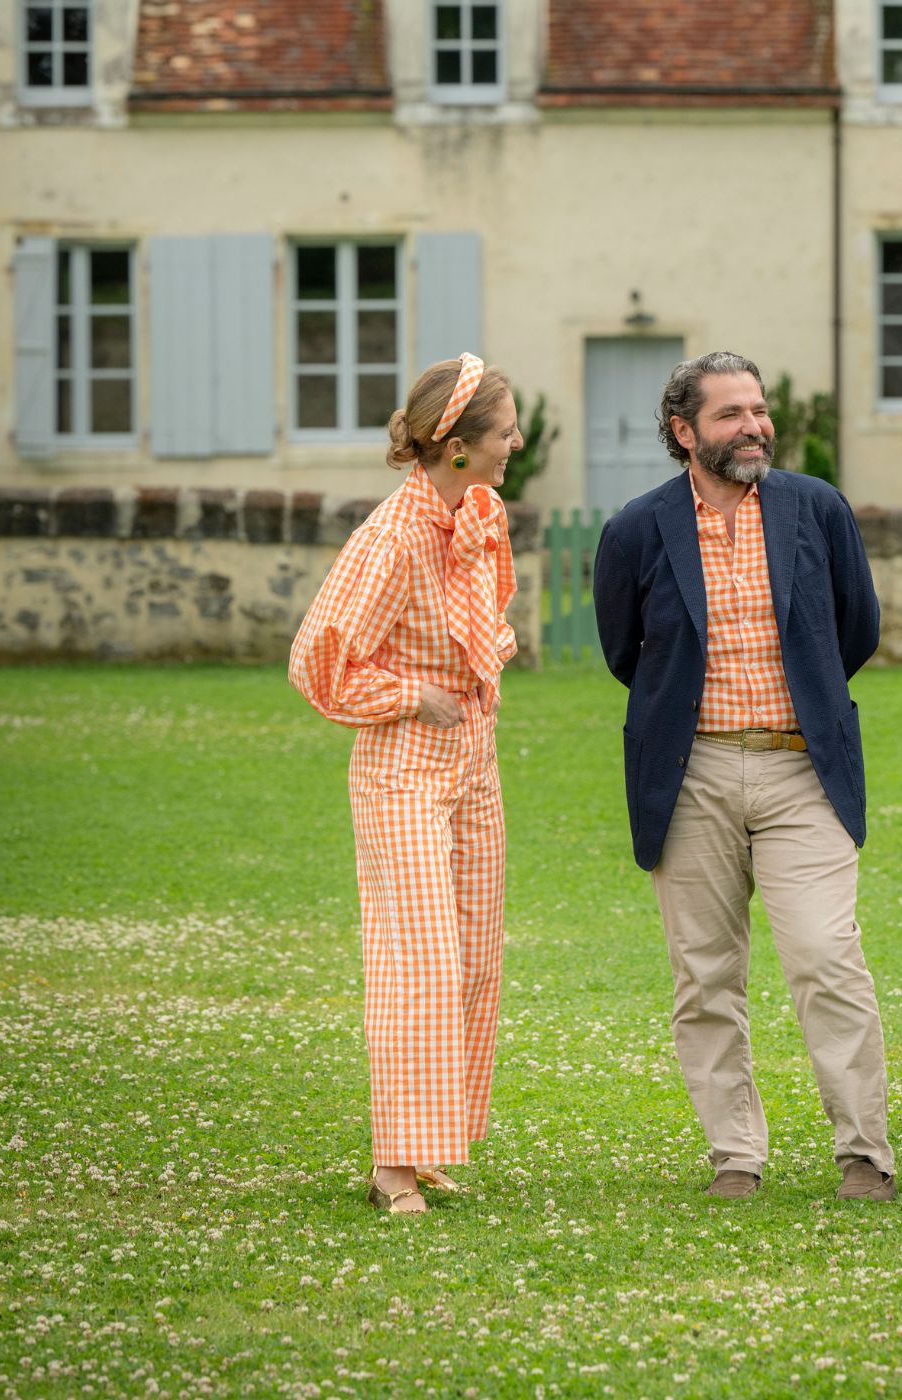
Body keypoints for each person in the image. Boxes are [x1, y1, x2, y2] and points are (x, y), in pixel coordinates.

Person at [593, 351, 896, 1202]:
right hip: (688, 776)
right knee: (705, 977)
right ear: (684, 431)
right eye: (731, 414)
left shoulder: (817, 509)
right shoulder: (636, 529)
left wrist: (805, 700)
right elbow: (627, 654)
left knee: (826, 957)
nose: (754, 426)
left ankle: (864, 1152)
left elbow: (856, 630)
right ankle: (735, 1154)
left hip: (804, 771)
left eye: (758, 409)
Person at [289, 354, 522, 1213]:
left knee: (473, 958)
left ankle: (428, 1147)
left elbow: (491, 607)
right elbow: (316, 664)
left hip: (474, 757)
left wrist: (482, 665)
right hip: (403, 769)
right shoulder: (390, 539)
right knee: (420, 958)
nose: (517, 443)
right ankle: (393, 1163)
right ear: (457, 444)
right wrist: (410, 695)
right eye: (506, 433)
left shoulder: (481, 510)